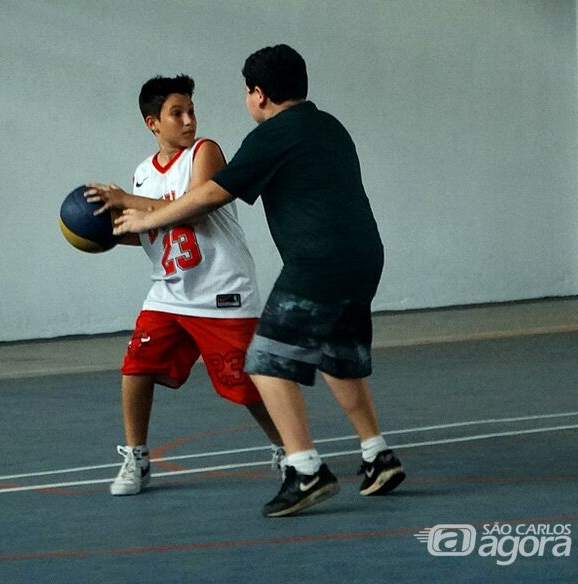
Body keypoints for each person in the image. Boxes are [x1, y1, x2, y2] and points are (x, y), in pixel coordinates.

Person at [109, 46, 405, 517]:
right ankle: (377, 455)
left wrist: (139, 213)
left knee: (265, 364)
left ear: (258, 94)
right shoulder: (330, 125)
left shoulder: (273, 135)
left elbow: (208, 195)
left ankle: (305, 469)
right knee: (339, 359)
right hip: (364, 257)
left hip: (317, 263)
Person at [86, 74, 284, 496]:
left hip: (221, 292)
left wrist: (127, 201)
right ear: (152, 122)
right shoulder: (142, 174)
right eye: (177, 113)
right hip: (169, 292)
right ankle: (137, 458)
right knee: (134, 367)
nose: (189, 120)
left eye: (191, 110)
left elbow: (190, 212)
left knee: (244, 387)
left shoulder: (204, 153)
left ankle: (289, 448)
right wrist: (99, 232)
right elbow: (147, 228)